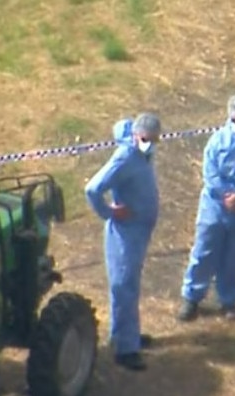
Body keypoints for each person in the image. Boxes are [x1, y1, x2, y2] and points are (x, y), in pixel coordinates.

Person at [178, 93, 235, 321]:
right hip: (214, 207)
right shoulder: (217, 142)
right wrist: (226, 196)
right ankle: (192, 298)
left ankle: (228, 300)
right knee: (204, 251)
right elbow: (210, 174)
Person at [84, 112, 161, 371]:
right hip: (126, 232)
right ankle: (125, 350)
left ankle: (126, 334)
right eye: (145, 138)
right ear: (136, 136)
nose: (149, 143)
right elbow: (93, 189)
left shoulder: (142, 153)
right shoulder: (126, 157)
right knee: (123, 285)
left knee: (130, 283)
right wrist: (108, 211)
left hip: (139, 231)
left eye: (154, 139)